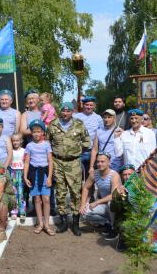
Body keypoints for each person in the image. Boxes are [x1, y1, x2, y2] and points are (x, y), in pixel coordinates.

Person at [47, 102, 91, 235]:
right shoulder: (53, 124)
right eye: (63, 111)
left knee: (75, 192)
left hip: (73, 163)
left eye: (68, 111)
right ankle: (63, 223)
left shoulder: (79, 124)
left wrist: (74, 150)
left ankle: (75, 224)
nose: (65, 113)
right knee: (60, 192)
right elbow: (48, 142)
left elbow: (86, 142)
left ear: (72, 112)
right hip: (57, 162)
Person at [80, 152, 123, 240]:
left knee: (110, 203)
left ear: (109, 162)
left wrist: (96, 202)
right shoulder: (94, 174)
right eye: (98, 162)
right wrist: (83, 204)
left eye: (102, 161)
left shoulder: (114, 176)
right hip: (104, 205)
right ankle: (107, 223)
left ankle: (115, 229)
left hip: (116, 205)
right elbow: (85, 188)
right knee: (84, 213)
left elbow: (113, 196)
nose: (99, 164)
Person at [24, 121, 53, 234]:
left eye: (38, 131)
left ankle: (46, 224)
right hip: (34, 174)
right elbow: (27, 162)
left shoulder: (46, 144)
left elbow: (50, 161)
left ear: (42, 132)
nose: (36, 134)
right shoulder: (29, 146)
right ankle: (40, 223)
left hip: (45, 174)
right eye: (34, 132)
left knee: (46, 199)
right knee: (36, 199)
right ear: (31, 133)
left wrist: (49, 177)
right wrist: (25, 177)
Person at [74, 96, 103, 180]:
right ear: (83, 105)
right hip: (79, 152)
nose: (89, 107)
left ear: (94, 106)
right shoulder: (76, 117)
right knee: (77, 178)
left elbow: (101, 133)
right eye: (87, 105)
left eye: (91, 105)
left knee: (91, 178)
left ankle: (89, 193)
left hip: (92, 153)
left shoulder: (98, 118)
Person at [89, 109, 122, 177]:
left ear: (114, 118)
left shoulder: (119, 131)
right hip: (102, 165)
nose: (106, 119)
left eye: (109, 117)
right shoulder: (98, 131)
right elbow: (95, 149)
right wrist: (91, 166)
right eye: (105, 117)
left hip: (115, 165)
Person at [9, 133, 27, 221]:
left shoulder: (24, 151)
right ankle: (14, 211)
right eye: (13, 141)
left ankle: (22, 211)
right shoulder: (10, 151)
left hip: (21, 172)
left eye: (17, 140)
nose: (15, 142)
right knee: (14, 193)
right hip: (13, 173)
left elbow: (26, 162)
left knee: (21, 193)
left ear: (21, 141)